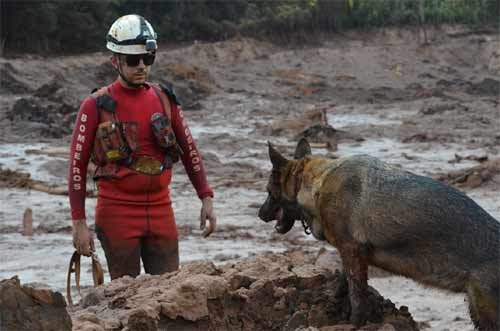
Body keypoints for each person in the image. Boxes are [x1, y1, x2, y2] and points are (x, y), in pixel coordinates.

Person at [68, 14, 216, 280]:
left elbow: (190, 149)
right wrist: (79, 223)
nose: (142, 67)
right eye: (133, 61)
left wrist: (205, 196)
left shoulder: (164, 99)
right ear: (115, 61)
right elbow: (77, 165)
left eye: (148, 59)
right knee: (124, 297)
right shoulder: (95, 106)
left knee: (170, 290)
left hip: (162, 211)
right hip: (117, 214)